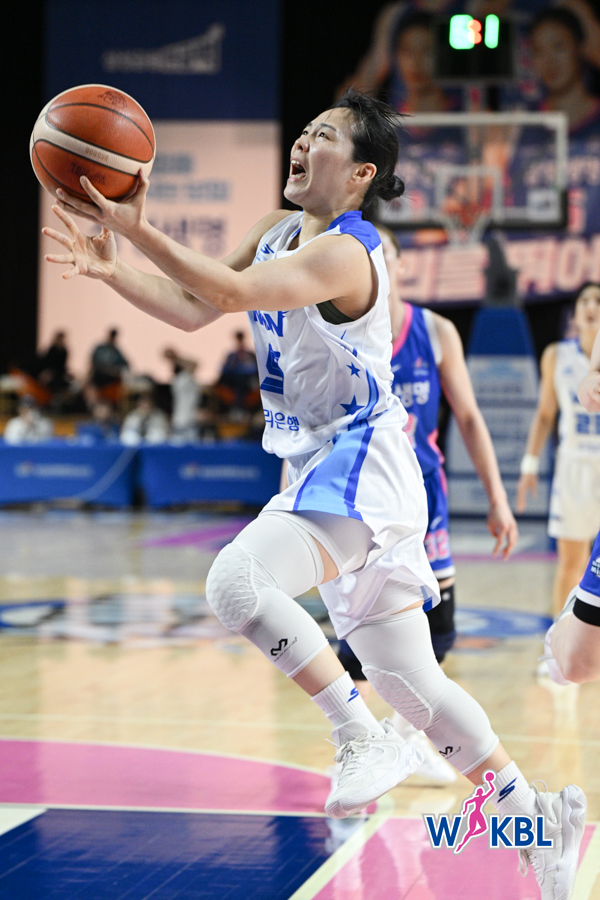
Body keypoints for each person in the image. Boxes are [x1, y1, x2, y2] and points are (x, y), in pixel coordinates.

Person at [43, 87, 585, 898]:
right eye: (303, 131)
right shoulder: (275, 229)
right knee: (415, 687)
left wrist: (134, 228)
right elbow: (195, 308)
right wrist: (113, 268)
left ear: (361, 173)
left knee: (236, 581)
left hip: (363, 460)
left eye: (323, 135)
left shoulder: (351, 252)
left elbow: (232, 295)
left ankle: (357, 735)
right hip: (322, 467)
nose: (302, 142)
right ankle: (537, 822)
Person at [336, 225, 518, 784]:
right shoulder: (338, 333)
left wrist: (497, 498)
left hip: (423, 497)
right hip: (361, 500)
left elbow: (469, 417)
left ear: (399, 265)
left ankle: (405, 740)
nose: (376, 265)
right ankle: (358, 745)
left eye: (383, 255)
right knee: (357, 640)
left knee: (438, 632)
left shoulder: (435, 331)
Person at [517, 283, 600, 615]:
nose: (591, 306)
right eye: (584, 301)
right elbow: (544, 414)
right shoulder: (557, 355)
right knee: (571, 562)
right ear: (575, 314)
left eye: (598, 300)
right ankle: (559, 637)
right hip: (574, 468)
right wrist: (530, 465)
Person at [541, 320, 600, 687]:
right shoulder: (560, 355)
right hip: (577, 468)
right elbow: (586, 387)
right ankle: (562, 625)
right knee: (578, 665)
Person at [215, 330, 259, 419]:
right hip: (233, 380)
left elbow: (256, 369)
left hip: (248, 381)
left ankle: (243, 410)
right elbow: (225, 370)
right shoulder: (231, 356)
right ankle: (234, 409)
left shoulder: (250, 355)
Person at [164, 348, 201, 443]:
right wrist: (176, 359)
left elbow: (194, 364)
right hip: (181, 418)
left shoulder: (186, 378)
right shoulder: (180, 380)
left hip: (189, 417)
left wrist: (176, 358)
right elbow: (193, 365)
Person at [86, 327, 130, 407]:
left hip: (111, 377)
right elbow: (93, 362)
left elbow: (126, 364)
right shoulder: (100, 349)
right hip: (99, 376)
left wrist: (114, 370)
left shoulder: (116, 351)